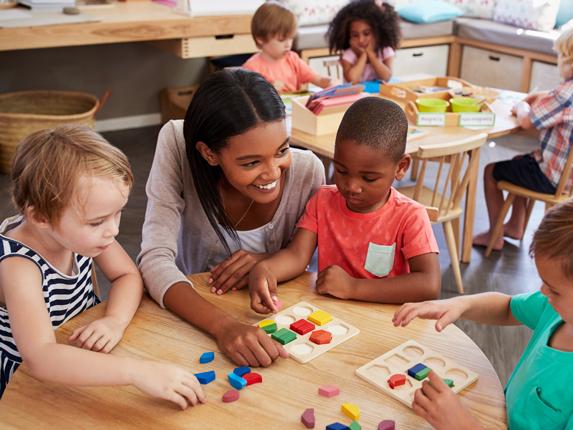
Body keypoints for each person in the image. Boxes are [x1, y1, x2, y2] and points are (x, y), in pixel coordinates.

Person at [394, 184, 573, 430]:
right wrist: (461, 303)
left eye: (555, 289)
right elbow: (507, 307)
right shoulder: (569, 311)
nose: (544, 293)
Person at [0, 126, 205, 408]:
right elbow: (40, 357)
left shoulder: (80, 234)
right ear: (40, 217)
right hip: (27, 386)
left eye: (117, 213)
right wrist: (136, 371)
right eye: (97, 221)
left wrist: (115, 321)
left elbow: (127, 275)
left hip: (81, 354)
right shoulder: (18, 267)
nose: (113, 230)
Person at [138, 69, 326, 366]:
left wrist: (268, 259)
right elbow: (153, 259)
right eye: (251, 162)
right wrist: (223, 326)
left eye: (282, 150)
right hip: (194, 315)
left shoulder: (308, 172)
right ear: (209, 154)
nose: (273, 172)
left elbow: (308, 264)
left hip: (275, 323)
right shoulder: (178, 142)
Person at [248, 97, 440, 314]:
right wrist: (266, 269)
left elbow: (428, 285)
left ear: (401, 167)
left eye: (368, 178)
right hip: (331, 317)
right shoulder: (323, 200)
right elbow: (297, 256)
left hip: (385, 322)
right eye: (341, 171)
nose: (351, 187)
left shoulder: (410, 216)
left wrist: (354, 287)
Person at [473, 23, 573, 251]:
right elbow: (567, 103)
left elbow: (528, 121)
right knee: (520, 162)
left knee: (492, 172)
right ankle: (515, 226)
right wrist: (545, 96)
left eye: (561, 56)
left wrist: (521, 106)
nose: (558, 61)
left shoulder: (565, 93)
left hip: (551, 177)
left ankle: (494, 235)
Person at [242, 2, 333, 93]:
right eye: (281, 40)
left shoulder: (293, 59)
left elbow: (318, 79)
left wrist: (329, 82)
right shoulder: (251, 68)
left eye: (291, 38)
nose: (288, 44)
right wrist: (269, 92)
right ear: (260, 39)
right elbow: (247, 100)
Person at [326, 0, 401, 83]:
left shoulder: (385, 50)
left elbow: (386, 77)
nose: (361, 40)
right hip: (357, 95)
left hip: (378, 94)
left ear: (378, 32)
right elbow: (352, 80)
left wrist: (371, 55)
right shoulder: (349, 55)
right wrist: (363, 55)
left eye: (366, 34)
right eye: (355, 35)